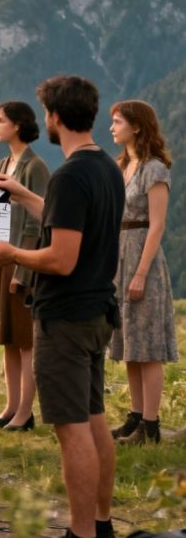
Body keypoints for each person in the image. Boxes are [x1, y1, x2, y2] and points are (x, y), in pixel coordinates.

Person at [0, 75, 124, 538]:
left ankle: (80, 532)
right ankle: (100, 525)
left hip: (65, 316)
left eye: (46, 113)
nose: (45, 120)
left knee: (70, 429)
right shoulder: (104, 166)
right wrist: (22, 194)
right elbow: (70, 222)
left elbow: (61, 259)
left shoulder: (68, 175)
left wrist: (14, 255)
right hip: (98, 310)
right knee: (95, 418)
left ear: (56, 117)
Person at [107, 100, 176, 445]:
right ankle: (135, 417)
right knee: (130, 343)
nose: (112, 128)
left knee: (147, 345)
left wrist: (140, 272)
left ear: (136, 126)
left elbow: (158, 224)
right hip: (121, 255)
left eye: (117, 122)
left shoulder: (154, 169)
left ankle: (151, 425)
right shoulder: (124, 165)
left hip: (143, 258)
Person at [0, 102, 49, 432]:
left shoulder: (36, 168)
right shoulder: (0, 163)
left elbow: (39, 224)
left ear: (17, 125)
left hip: (23, 261)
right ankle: (10, 407)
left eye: (0, 121)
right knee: (7, 338)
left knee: (25, 340)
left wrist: (22, 269)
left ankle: (25, 412)